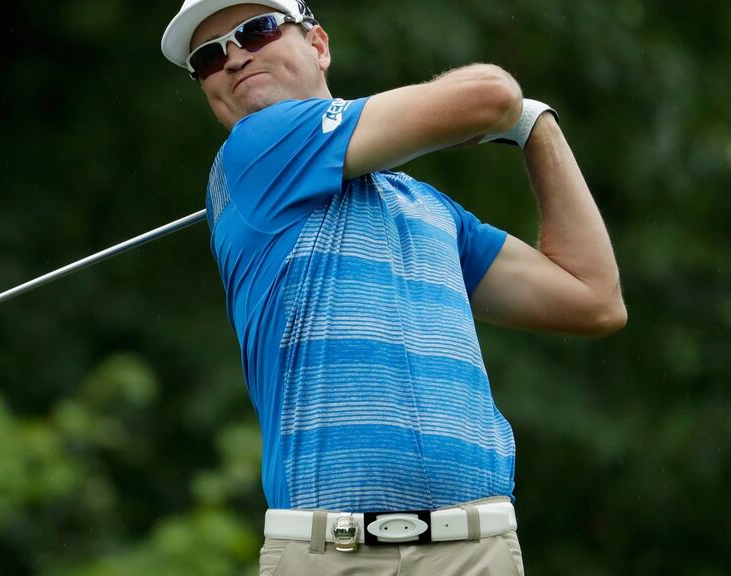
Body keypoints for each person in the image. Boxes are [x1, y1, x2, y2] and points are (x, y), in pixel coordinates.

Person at [161, 1, 626, 574]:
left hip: (476, 546)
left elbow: (592, 298)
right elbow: (490, 94)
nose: (233, 59)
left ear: (319, 45)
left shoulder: (428, 208)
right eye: (208, 58)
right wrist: (507, 111)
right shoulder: (256, 150)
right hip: (330, 551)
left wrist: (536, 126)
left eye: (255, 31)